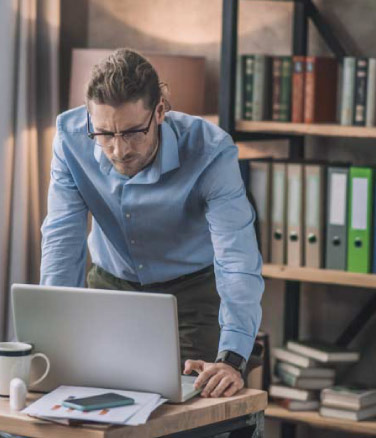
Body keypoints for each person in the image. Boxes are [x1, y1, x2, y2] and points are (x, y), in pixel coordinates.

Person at [40, 48, 263, 398]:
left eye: (132, 132)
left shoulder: (211, 151)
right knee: (80, 401)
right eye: (104, 134)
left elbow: (236, 259)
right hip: (110, 288)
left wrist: (232, 358)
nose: (118, 149)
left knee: (187, 409)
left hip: (192, 296)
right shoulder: (70, 139)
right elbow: (61, 241)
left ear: (160, 110)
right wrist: (51, 338)